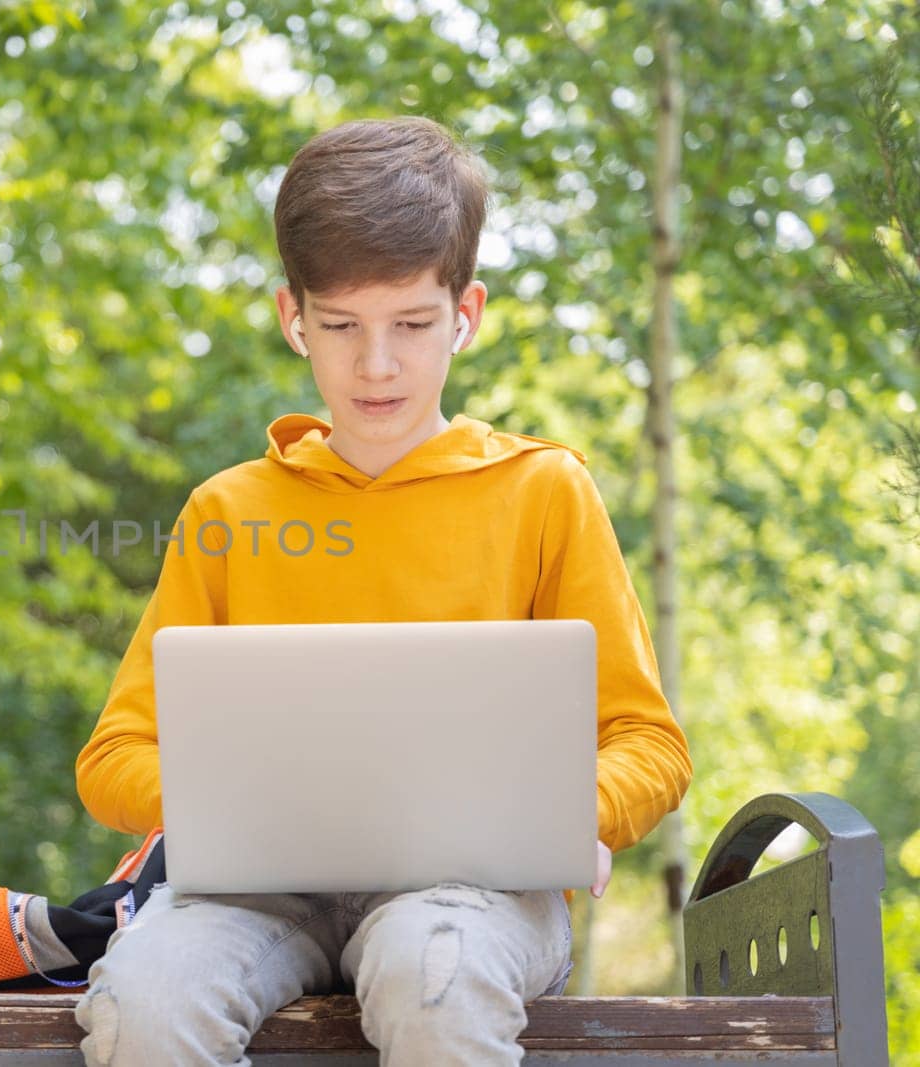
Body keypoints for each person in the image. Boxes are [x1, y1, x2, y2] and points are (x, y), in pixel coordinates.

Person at [70, 116, 692, 1066]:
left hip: (471, 894)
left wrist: (572, 816)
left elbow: (648, 743)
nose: (376, 366)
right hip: (254, 894)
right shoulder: (229, 511)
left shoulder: (543, 490)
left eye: (411, 324)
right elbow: (112, 757)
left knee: (431, 979)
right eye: (341, 327)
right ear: (292, 319)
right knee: (140, 1006)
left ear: (466, 315)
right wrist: (247, 801)